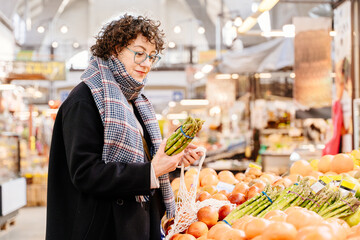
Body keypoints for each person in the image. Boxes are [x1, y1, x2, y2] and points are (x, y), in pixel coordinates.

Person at [46, 14, 203, 240]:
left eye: (152, 56)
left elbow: (142, 162)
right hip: (101, 230)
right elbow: (85, 173)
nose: (147, 63)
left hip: (135, 225)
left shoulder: (136, 101)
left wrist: (172, 159)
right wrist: (152, 170)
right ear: (114, 49)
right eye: (139, 53)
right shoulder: (85, 100)